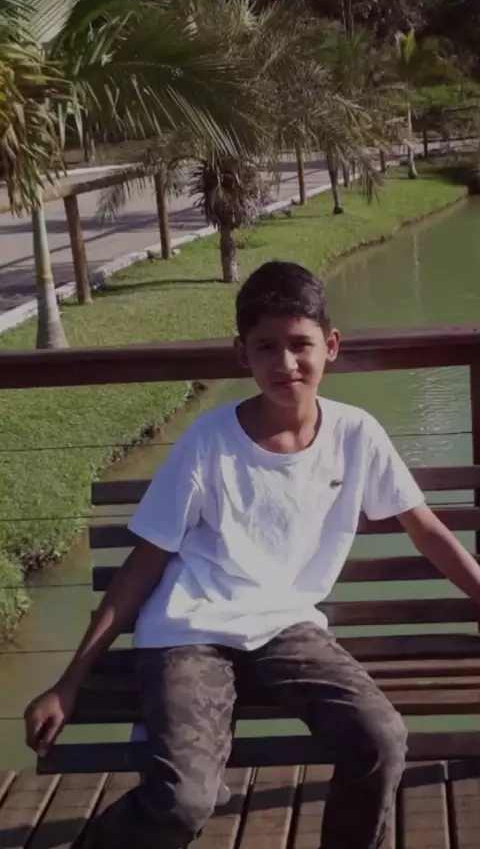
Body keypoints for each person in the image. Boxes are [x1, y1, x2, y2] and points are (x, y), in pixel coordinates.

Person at [23, 261, 480, 849]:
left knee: (380, 740)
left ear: (331, 346)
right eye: (267, 347)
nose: (286, 363)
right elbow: (144, 562)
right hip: (189, 632)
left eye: (300, 344)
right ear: (243, 353)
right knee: (183, 800)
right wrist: (68, 681)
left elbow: (427, 530)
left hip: (287, 627)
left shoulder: (356, 434)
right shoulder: (209, 441)